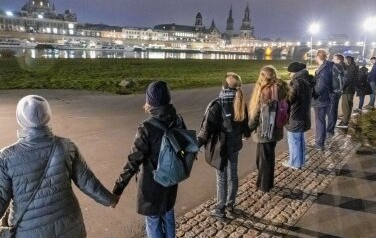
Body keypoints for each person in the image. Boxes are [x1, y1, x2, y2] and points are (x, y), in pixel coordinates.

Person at [0, 95, 117, 238]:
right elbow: (87, 180)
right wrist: (109, 199)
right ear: (48, 116)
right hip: (71, 226)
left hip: (28, 231)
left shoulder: (6, 157)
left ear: (21, 118)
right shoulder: (67, 146)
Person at [112, 81, 184, 238]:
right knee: (169, 215)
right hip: (171, 180)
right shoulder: (178, 120)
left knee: (153, 220)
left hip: (152, 186)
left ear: (150, 102)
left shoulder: (146, 127)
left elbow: (133, 162)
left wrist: (118, 189)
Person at [197, 72, 251, 218]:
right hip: (235, 145)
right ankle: (230, 206)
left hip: (221, 148)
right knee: (233, 175)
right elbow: (246, 125)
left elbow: (206, 130)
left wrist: (196, 144)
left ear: (224, 86)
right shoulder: (240, 102)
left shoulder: (217, 104)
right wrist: (246, 133)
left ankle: (220, 208)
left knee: (222, 178)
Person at [248, 65, 289, 192]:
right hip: (276, 127)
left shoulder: (264, 90)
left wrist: (248, 129)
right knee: (268, 156)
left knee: (264, 159)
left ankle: (264, 185)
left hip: (265, 130)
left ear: (263, 76)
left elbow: (257, 114)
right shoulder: (282, 88)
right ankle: (265, 182)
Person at [283, 62, 312, 170]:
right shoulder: (306, 81)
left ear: (294, 72)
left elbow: (289, 100)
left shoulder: (296, 83)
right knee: (300, 139)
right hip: (304, 114)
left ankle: (295, 163)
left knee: (294, 140)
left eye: (290, 72)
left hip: (295, 116)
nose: (289, 75)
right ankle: (301, 160)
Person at [311, 49, 333, 150]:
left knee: (319, 121)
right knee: (321, 120)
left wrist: (312, 93)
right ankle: (320, 141)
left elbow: (320, 87)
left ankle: (319, 144)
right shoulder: (328, 67)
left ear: (318, 56)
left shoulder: (323, 70)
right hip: (325, 98)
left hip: (320, 99)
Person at [337, 56, 358, 129]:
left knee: (345, 106)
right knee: (349, 105)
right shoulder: (353, 66)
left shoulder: (351, 68)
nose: (344, 61)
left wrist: (342, 88)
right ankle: (346, 120)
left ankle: (345, 122)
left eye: (345, 60)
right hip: (351, 89)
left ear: (349, 60)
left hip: (347, 89)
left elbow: (348, 79)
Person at [327, 54, 345, 137]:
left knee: (331, 111)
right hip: (338, 92)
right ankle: (331, 129)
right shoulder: (342, 67)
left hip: (334, 92)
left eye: (334, 59)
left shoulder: (335, 68)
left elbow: (334, 80)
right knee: (333, 111)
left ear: (338, 60)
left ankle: (330, 130)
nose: (332, 60)